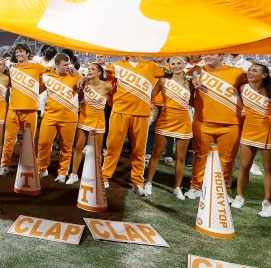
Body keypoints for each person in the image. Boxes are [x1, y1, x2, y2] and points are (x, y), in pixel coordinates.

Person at [100, 56, 166, 196]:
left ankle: (137, 182)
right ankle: (104, 177)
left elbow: (169, 75)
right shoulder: (116, 66)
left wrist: (150, 96)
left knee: (139, 150)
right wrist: (112, 103)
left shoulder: (151, 66)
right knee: (113, 146)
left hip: (141, 114)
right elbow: (107, 86)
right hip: (120, 112)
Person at [186, 54, 247, 199]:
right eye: (206, 54)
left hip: (231, 123)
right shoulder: (197, 70)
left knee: (226, 159)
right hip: (203, 121)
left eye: (211, 54)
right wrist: (194, 78)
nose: (206, 56)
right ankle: (196, 186)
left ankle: (224, 190)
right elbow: (190, 73)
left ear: (222, 56)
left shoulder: (238, 72)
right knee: (200, 156)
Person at [144, 56, 193, 199]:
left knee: (181, 157)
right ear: (169, 65)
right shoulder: (163, 81)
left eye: (179, 63)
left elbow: (195, 101)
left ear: (184, 64)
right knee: (157, 153)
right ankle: (149, 183)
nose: (176, 66)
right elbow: (149, 96)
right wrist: (150, 109)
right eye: (173, 64)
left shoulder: (190, 82)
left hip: (183, 121)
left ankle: (177, 188)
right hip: (166, 119)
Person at [0, 43, 49, 176]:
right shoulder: (11, 68)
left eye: (21, 52)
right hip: (13, 109)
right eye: (17, 52)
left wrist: (38, 89)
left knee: (29, 141)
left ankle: (27, 166)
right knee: (9, 139)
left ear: (27, 53)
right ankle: (4, 165)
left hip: (31, 110)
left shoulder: (36, 66)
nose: (19, 54)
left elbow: (51, 76)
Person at [231, 62, 271, 217]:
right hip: (249, 131)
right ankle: (239, 196)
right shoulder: (242, 88)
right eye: (249, 69)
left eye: (254, 70)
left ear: (264, 75)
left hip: (267, 133)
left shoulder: (269, 90)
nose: (250, 72)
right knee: (244, 166)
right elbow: (241, 106)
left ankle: (267, 203)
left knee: (268, 170)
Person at [36, 53, 81, 182]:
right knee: (43, 143)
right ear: (56, 65)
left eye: (69, 64)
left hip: (69, 117)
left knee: (66, 147)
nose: (68, 67)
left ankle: (63, 172)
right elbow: (37, 90)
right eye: (65, 65)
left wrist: (81, 77)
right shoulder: (46, 76)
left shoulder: (75, 75)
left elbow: (84, 81)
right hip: (50, 115)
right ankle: (42, 169)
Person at [68, 62, 112, 184]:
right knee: (78, 148)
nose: (89, 70)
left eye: (93, 69)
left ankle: (97, 175)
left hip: (99, 120)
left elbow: (114, 99)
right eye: (88, 69)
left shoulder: (107, 87)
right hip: (84, 118)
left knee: (97, 151)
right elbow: (80, 96)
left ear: (99, 72)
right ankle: (74, 174)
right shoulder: (84, 83)